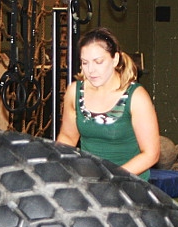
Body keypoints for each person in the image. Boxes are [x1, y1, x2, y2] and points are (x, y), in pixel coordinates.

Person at [56, 27, 160, 180]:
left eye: (98, 62)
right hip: (90, 180)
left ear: (115, 59)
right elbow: (67, 138)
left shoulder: (136, 96)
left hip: (129, 182)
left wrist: (110, 177)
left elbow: (151, 154)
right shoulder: (75, 92)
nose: (91, 70)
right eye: (85, 63)